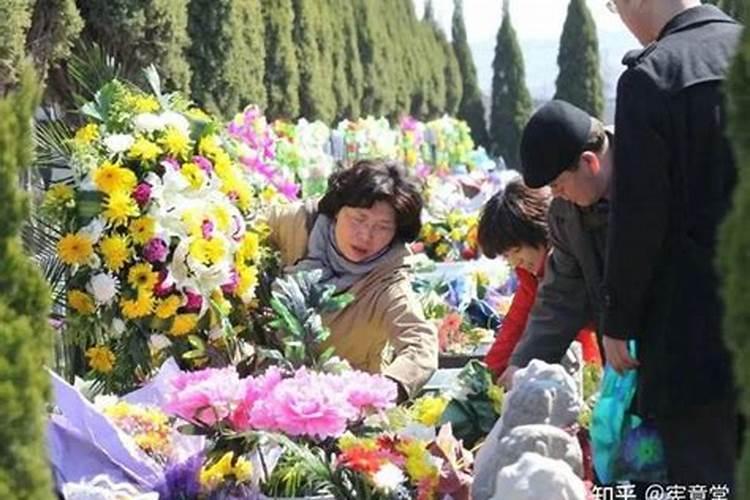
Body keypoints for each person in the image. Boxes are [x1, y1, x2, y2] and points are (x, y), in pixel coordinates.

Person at [602, 0, 742, 489]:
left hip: (694, 337)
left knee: (708, 477)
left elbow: (639, 217)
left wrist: (617, 319)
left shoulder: (654, 76)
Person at [266, 158, 438, 400]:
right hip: (268, 390)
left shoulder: (388, 281)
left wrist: (380, 392)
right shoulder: (297, 223)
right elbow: (242, 231)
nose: (365, 236)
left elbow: (420, 344)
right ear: (337, 210)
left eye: (382, 227)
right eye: (359, 219)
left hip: (342, 409)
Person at [498, 99, 614, 389]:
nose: (557, 195)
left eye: (558, 185)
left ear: (589, 162)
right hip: (620, 359)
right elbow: (560, 296)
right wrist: (521, 366)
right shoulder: (564, 214)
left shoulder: (653, 173)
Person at [477, 179, 601, 379]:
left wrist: (519, 365)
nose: (516, 262)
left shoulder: (570, 255)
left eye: (517, 251)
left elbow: (563, 320)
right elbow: (517, 321)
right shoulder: (530, 273)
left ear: (538, 229)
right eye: (507, 256)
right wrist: (488, 375)